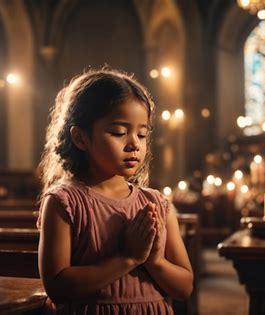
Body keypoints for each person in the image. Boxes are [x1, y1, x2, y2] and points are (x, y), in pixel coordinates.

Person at [36, 68, 193, 314]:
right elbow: (57, 287)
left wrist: (155, 261)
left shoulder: (156, 203)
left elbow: (184, 288)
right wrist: (127, 258)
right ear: (80, 138)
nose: (134, 144)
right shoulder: (64, 202)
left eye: (142, 134)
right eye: (119, 132)